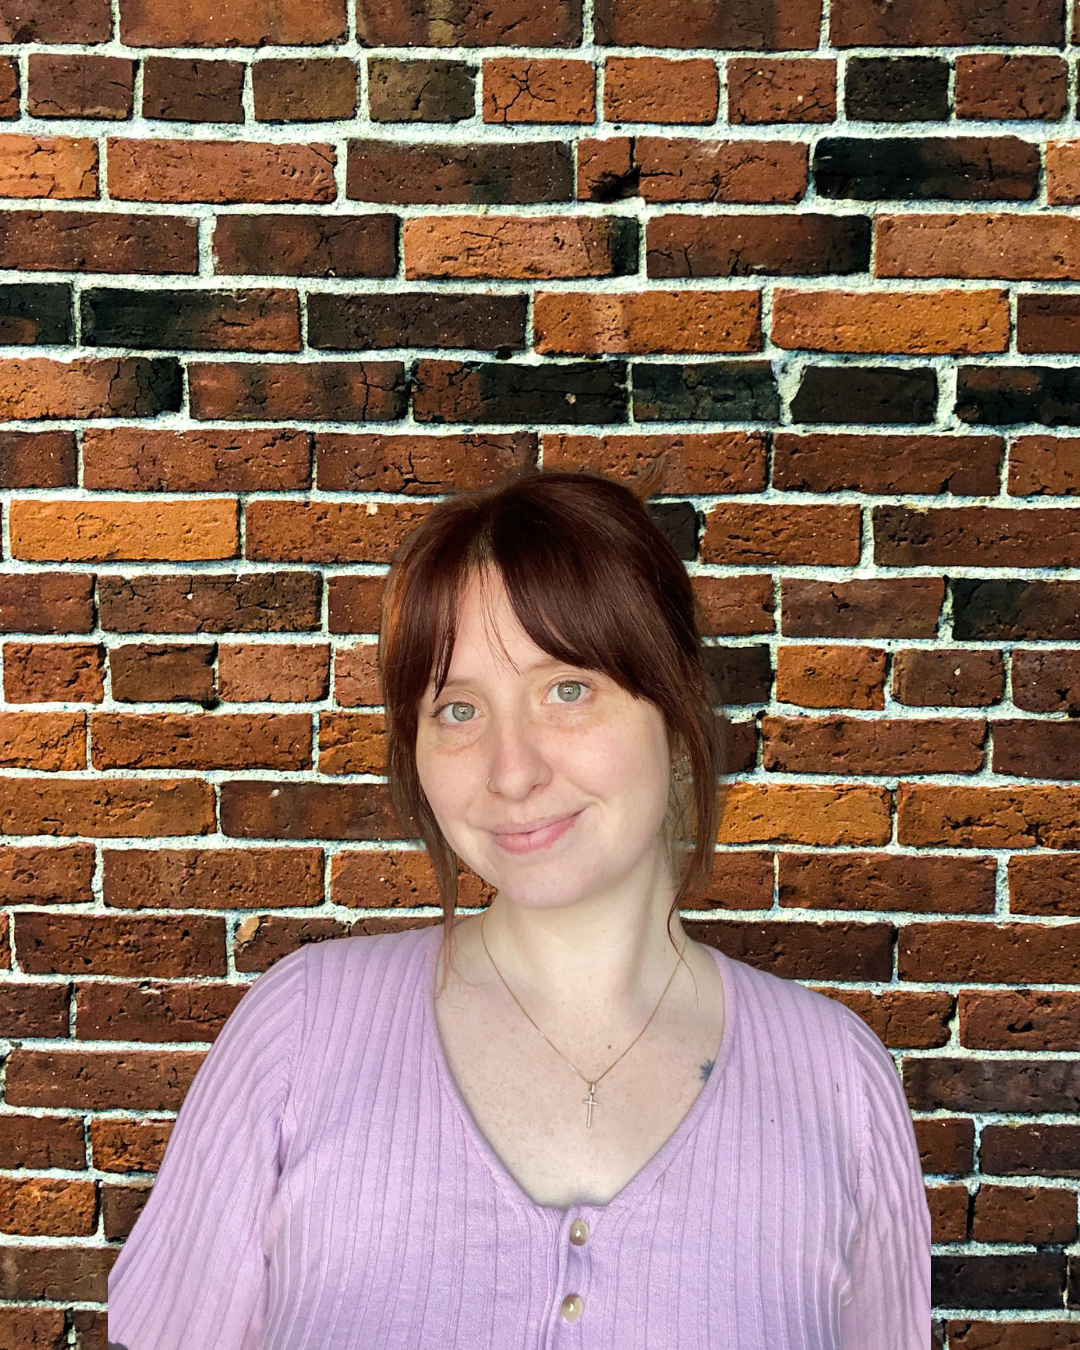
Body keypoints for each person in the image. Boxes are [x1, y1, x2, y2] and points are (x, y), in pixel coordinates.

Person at [107, 461, 930, 1349]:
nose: (511, 771)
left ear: (674, 703)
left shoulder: (838, 1085)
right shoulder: (300, 1034)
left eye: (567, 690)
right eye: (457, 710)